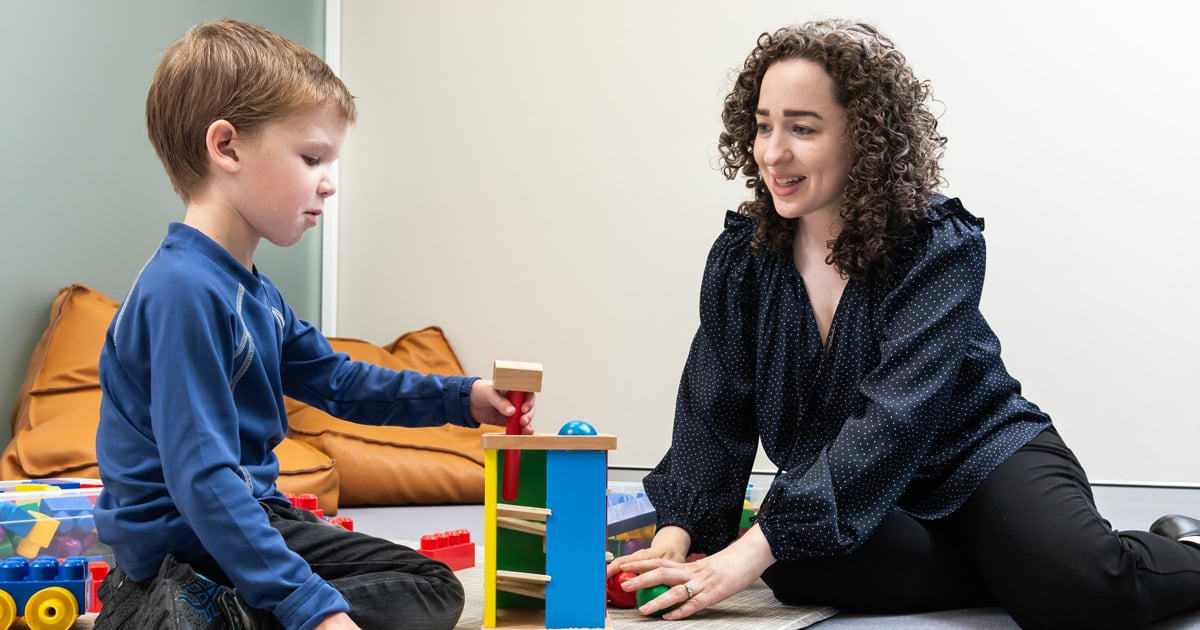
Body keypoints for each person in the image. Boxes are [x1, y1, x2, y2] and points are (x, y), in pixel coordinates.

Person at [606, 19, 1200, 629]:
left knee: (1082, 595)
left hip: (977, 460)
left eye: (802, 128)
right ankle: (1020, 565)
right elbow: (715, 406)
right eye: (763, 125)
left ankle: (1178, 550)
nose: (772, 152)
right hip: (860, 489)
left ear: (863, 138)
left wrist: (747, 553)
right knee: (789, 562)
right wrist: (677, 535)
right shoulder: (746, 260)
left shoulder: (934, 244)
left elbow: (896, 418)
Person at [92, 20, 535, 630]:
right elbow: (202, 478)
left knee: (426, 581)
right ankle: (176, 613)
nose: (328, 182)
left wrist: (463, 398)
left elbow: (339, 382)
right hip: (188, 540)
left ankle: (183, 613)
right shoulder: (184, 291)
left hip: (241, 518)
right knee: (428, 590)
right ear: (227, 148)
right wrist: (313, 608)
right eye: (311, 157)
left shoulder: (251, 290)